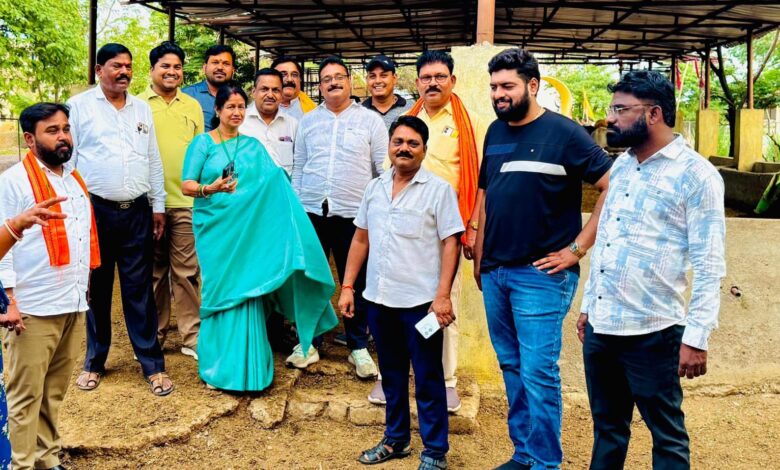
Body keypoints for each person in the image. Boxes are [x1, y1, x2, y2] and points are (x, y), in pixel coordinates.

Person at [579, 70, 726, 470]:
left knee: (667, 434)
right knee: (608, 429)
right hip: (603, 328)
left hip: (653, 331)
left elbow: (710, 264)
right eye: (612, 108)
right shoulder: (622, 168)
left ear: (654, 113)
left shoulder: (697, 175)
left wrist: (696, 336)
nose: (610, 118)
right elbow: (607, 241)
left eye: (620, 109)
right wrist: (590, 306)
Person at [473, 48, 612, 470]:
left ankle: (546, 463)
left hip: (541, 275)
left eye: (507, 86)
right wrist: (480, 255)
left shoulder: (565, 133)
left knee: (537, 371)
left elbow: (614, 185)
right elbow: (486, 194)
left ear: (532, 85)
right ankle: (524, 454)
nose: (498, 94)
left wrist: (577, 248)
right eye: (494, 86)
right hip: (495, 271)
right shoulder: (495, 132)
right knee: (512, 366)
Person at [181, 85, 338, 391]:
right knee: (219, 292)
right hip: (215, 230)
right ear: (217, 110)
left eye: (241, 107)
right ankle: (217, 367)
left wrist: (282, 184)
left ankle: (250, 371)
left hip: (248, 230)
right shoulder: (203, 143)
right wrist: (209, 188)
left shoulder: (253, 146)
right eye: (230, 107)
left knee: (247, 289)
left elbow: (271, 182)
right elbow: (186, 184)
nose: (236, 112)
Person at [340, 116, 462, 470]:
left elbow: (451, 243)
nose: (404, 149)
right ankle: (396, 440)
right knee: (391, 375)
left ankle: (435, 451)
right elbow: (360, 239)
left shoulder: (438, 190)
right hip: (379, 300)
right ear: (390, 146)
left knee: (427, 378)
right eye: (398, 142)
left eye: (412, 143)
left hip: (420, 304)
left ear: (424, 150)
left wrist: (443, 296)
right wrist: (347, 287)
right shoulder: (374, 188)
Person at [370, 50, 487, 412]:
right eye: (426, 77)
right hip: (403, 227)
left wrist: (473, 226)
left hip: (446, 229)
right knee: (392, 301)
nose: (433, 83)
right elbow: (387, 171)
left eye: (440, 76)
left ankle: (446, 380)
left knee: (443, 301)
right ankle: (389, 376)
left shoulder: (469, 123)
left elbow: (481, 181)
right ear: (417, 82)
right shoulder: (409, 120)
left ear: (453, 80)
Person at [68, 43, 173, 397]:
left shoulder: (141, 108)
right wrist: (75, 212)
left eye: (128, 66)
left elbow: (153, 159)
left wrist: (158, 206)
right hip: (94, 212)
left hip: (137, 213)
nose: (124, 71)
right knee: (97, 289)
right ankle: (95, 362)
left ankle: (152, 364)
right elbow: (69, 163)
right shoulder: (79, 107)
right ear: (99, 70)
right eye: (116, 65)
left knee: (138, 290)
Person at [0, 103, 101, 470]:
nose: (63, 137)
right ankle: (21, 465)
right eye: (52, 130)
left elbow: (80, 240)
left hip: (71, 302)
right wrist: (9, 300)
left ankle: (47, 459)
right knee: (25, 397)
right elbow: (3, 246)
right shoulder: (13, 182)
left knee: (53, 392)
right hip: (31, 308)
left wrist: (81, 291)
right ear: (30, 139)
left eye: (66, 129)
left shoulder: (73, 179)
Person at [289, 55, 387, 378]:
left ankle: (357, 346)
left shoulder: (370, 121)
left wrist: (378, 212)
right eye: (326, 79)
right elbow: (299, 169)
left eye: (339, 77)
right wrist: (298, 211)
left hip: (355, 215)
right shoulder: (308, 122)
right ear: (320, 86)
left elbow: (382, 171)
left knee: (355, 280)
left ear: (349, 81)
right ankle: (309, 343)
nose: (333, 83)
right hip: (313, 212)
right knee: (312, 278)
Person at [140, 41, 204, 361]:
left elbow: (200, 153)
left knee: (186, 272)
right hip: (148, 202)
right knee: (154, 271)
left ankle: (192, 336)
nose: (172, 71)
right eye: (165, 66)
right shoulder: (137, 105)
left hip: (185, 201)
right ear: (152, 69)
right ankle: (155, 335)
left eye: (177, 67)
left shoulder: (192, 106)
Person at [239, 68, 298, 175]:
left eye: (275, 90)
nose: (270, 95)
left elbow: (299, 164)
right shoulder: (239, 122)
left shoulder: (293, 125)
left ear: (281, 94)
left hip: (282, 185)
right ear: (254, 92)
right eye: (264, 89)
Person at [183, 45, 236, 131]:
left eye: (226, 64)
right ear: (204, 67)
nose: (220, 67)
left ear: (233, 70)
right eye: (215, 62)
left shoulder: (238, 98)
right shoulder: (187, 95)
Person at [362, 54, 413, 129]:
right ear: (367, 79)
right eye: (372, 76)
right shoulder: (357, 112)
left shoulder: (411, 108)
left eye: (383, 75)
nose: (378, 81)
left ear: (394, 78)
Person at [272, 56, 317, 120]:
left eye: (294, 75)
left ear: (300, 79)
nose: (289, 79)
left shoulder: (313, 111)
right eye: (283, 75)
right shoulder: (260, 109)